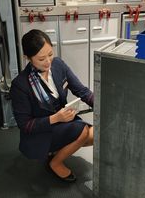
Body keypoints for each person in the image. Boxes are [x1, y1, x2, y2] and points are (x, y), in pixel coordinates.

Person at [10, 29, 94, 183]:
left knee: (94, 135)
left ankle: (54, 153)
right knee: (83, 132)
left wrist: (104, 104)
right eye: (41, 58)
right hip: (41, 131)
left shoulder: (58, 65)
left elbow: (81, 91)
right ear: (27, 58)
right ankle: (55, 163)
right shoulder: (20, 85)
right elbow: (25, 125)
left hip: (62, 121)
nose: (48, 62)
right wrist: (55, 118)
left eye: (50, 54)